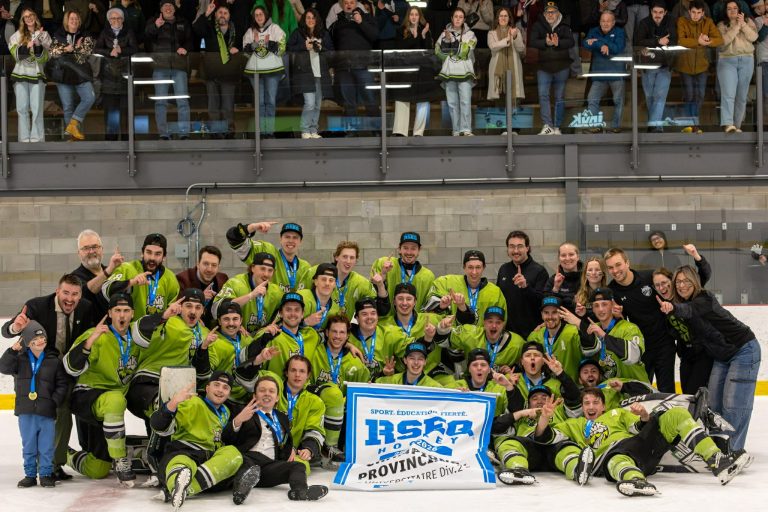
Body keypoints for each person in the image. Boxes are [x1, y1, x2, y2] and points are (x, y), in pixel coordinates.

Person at [535, 388, 750, 496]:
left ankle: (717, 461)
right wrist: (544, 418)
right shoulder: (576, 424)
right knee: (617, 456)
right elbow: (543, 437)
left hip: (642, 447)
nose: (591, 406)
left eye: (596, 402)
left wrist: (644, 416)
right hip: (613, 458)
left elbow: (640, 427)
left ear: (603, 406)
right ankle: (636, 481)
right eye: (586, 402)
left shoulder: (617, 413)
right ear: (582, 406)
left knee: (675, 414)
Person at [1, 274, 95, 481]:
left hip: (63, 373)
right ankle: (41, 465)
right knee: (40, 421)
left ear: (80, 295)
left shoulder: (86, 308)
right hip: (36, 375)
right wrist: (15, 327)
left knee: (63, 416)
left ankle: (53, 464)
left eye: (75, 294)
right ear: (57, 290)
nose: (70, 298)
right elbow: (7, 331)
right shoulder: (36, 306)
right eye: (66, 293)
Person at [659, 265, 761, 451]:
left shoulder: (703, 298)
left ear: (695, 282)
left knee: (733, 405)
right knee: (712, 404)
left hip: (743, 349)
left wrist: (672, 307)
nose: (682, 285)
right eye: (678, 282)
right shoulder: (686, 301)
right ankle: (717, 447)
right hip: (721, 356)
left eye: (686, 281)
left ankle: (733, 451)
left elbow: (688, 310)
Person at [63, 293, 143, 485]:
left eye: (125, 311)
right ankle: (120, 459)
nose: (121, 315)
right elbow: (70, 367)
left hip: (111, 408)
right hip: (87, 396)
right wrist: (90, 341)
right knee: (115, 399)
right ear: (109, 313)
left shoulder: (138, 339)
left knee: (97, 469)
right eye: (117, 310)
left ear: (132, 314)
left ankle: (65, 454)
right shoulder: (97, 334)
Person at [223, 375, 329, 503]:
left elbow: (286, 440)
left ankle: (300, 491)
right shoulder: (242, 412)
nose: (267, 394)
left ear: (277, 397)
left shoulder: (282, 418)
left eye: (271, 391)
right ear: (254, 396)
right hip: (248, 459)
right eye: (262, 390)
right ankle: (240, 492)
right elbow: (227, 438)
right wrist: (238, 420)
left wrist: (291, 449)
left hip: (269, 466)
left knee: (298, 466)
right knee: (247, 462)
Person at [151, 371, 244, 509]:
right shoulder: (193, 403)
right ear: (207, 388)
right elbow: (159, 426)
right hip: (185, 451)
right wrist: (173, 403)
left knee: (233, 453)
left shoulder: (225, 412)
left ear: (229, 393)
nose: (220, 390)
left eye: (225, 387)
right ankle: (178, 479)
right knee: (181, 463)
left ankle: (182, 489)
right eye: (216, 385)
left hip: (208, 459)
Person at [0, 321, 68, 488]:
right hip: (26, 411)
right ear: (28, 342)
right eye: (36, 338)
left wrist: (54, 401)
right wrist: (12, 351)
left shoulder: (53, 361)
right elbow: (3, 367)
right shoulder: (20, 360)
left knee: (46, 446)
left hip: (46, 411)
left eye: (43, 337)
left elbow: (62, 384)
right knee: (29, 444)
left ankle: (45, 474)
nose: (41, 341)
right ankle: (30, 475)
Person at [604, 247, 675, 392]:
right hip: (641, 348)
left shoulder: (649, 277)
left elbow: (672, 292)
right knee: (642, 390)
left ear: (627, 263)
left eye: (618, 265)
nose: (615, 270)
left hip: (664, 344)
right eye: (610, 267)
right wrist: (618, 316)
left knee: (667, 390)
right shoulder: (612, 291)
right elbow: (620, 322)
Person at [493, 384, 594, 486]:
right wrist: (521, 413)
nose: (540, 401)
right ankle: (518, 469)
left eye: (544, 397)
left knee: (569, 447)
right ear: (528, 404)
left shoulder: (559, 410)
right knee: (509, 443)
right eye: (534, 398)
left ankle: (577, 469)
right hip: (530, 452)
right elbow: (495, 426)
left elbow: (573, 396)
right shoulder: (522, 417)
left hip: (555, 448)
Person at [191, 299, 280, 414]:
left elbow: (249, 357)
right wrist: (204, 348)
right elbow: (203, 374)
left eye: (235, 319)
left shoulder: (245, 338)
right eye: (226, 319)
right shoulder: (215, 343)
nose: (231, 323)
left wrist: (265, 337)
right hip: (224, 399)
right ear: (219, 321)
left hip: (245, 396)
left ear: (241, 320)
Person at [309, 314, 370, 464]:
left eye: (342, 332)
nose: (337, 336)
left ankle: (341, 447)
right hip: (315, 407)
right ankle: (325, 446)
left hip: (340, 417)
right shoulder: (314, 351)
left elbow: (362, 392)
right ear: (327, 333)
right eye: (334, 332)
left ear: (347, 335)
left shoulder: (355, 361)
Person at [560, 287, 650, 383]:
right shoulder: (594, 328)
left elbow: (633, 356)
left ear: (612, 306)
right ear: (593, 309)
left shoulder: (629, 328)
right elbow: (589, 351)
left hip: (637, 389)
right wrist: (582, 320)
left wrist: (604, 335)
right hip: (611, 391)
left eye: (604, 304)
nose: (600, 309)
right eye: (596, 306)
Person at [653, 266, 714, 393]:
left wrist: (698, 258)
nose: (661, 288)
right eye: (657, 285)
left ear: (673, 281)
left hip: (703, 353)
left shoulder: (685, 295)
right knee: (686, 393)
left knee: (694, 392)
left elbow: (704, 274)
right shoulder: (660, 306)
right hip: (686, 355)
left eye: (664, 283)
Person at [194, 2, 244, 138]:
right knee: (213, 107)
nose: (222, 15)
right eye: (220, 12)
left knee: (228, 107)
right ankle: (216, 133)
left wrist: (238, 49)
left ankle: (228, 133)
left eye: (225, 13)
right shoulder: (209, 28)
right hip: (212, 74)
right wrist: (206, 14)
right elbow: (196, 29)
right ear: (215, 15)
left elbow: (244, 47)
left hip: (229, 75)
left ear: (229, 16)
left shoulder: (236, 31)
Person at [144, 0, 193, 140]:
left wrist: (186, 48)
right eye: (165, 6)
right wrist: (155, 26)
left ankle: (184, 133)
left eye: (170, 6)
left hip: (179, 67)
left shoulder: (183, 22)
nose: (168, 8)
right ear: (161, 9)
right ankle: (163, 133)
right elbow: (146, 34)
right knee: (161, 102)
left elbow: (190, 40)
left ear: (174, 9)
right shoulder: (154, 21)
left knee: (182, 101)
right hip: (160, 67)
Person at [328, 0, 378, 134]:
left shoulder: (367, 18)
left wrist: (361, 22)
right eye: (346, 3)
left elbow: (374, 36)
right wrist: (334, 63)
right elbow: (330, 43)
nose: (349, 5)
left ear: (356, 4)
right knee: (348, 102)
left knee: (370, 100)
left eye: (351, 2)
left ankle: (376, 130)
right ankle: (352, 130)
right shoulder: (337, 23)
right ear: (342, 5)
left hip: (363, 66)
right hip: (344, 68)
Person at [103, 233, 180, 318]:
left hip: (158, 329)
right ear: (142, 253)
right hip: (129, 329)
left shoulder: (170, 278)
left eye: (157, 254)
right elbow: (105, 290)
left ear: (164, 257)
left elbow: (172, 313)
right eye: (148, 252)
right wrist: (131, 282)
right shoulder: (127, 269)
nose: (152, 258)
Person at [48, 9, 95, 141]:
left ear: (79, 21)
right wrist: (65, 49)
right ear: (67, 21)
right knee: (68, 107)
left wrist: (74, 48)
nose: (74, 21)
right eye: (71, 19)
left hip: (81, 74)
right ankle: (72, 138)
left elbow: (88, 52)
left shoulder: (85, 34)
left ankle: (74, 124)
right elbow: (52, 52)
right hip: (64, 75)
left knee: (89, 98)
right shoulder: (58, 34)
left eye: (76, 19)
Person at [227, 221, 311, 293]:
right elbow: (234, 239)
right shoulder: (266, 250)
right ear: (280, 239)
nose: (291, 241)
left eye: (295, 237)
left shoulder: (305, 267)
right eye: (287, 237)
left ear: (300, 241)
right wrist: (251, 227)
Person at [677, 0, 723, 133]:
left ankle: (694, 122)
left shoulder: (708, 22)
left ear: (703, 13)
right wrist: (698, 41)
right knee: (689, 95)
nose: (695, 15)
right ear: (689, 12)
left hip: (702, 66)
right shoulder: (682, 21)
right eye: (693, 12)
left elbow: (720, 40)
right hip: (685, 65)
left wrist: (708, 41)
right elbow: (681, 40)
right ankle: (690, 122)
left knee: (700, 95)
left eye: (698, 13)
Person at [288, 8, 334, 138]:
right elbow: (289, 49)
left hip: (321, 72)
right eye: (308, 17)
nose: (311, 20)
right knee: (309, 103)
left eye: (313, 18)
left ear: (317, 20)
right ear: (304, 19)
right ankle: (304, 129)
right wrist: (304, 47)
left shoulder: (323, 34)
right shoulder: (298, 33)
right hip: (304, 73)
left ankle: (313, 129)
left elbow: (331, 51)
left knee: (318, 104)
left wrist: (321, 48)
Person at [529, 2, 574, 135]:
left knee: (559, 97)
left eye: (553, 12)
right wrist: (545, 42)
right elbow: (532, 41)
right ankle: (547, 125)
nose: (550, 14)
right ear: (544, 14)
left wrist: (558, 42)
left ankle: (557, 127)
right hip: (543, 67)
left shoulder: (565, 25)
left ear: (558, 13)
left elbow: (571, 42)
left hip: (562, 66)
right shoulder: (538, 25)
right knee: (543, 95)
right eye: (548, 12)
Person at [213, 252, 283, 336]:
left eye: (270, 270)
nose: (266, 274)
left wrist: (273, 326)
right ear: (253, 268)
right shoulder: (236, 283)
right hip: (236, 337)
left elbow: (285, 314)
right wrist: (251, 295)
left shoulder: (276, 292)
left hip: (261, 339)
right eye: (262, 269)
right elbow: (215, 310)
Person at [94, 7, 137, 141]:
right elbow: (96, 49)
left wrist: (122, 50)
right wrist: (109, 52)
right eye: (113, 18)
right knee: (111, 115)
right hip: (109, 79)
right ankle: (111, 143)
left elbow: (135, 49)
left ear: (123, 19)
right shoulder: (104, 33)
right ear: (109, 20)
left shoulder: (129, 32)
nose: (116, 20)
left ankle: (126, 143)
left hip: (125, 78)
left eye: (118, 18)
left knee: (126, 115)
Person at [391, 6, 435, 137]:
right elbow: (401, 48)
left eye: (416, 14)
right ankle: (400, 131)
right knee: (402, 98)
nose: (414, 17)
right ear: (408, 17)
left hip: (422, 71)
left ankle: (418, 132)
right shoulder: (400, 30)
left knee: (423, 100)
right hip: (405, 71)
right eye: (411, 14)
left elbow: (428, 50)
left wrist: (422, 35)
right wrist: (416, 37)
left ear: (419, 16)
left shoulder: (425, 31)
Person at [496, 230, 550, 338]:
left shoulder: (539, 271)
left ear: (527, 248)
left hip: (532, 333)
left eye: (520, 246)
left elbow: (543, 303)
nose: (516, 250)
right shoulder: (504, 269)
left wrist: (526, 287)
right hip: (507, 333)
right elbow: (499, 298)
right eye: (512, 246)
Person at [9, 8, 51, 143]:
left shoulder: (44, 35)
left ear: (35, 17)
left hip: (37, 75)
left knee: (37, 109)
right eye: (25, 16)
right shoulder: (16, 35)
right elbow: (16, 56)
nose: (29, 18)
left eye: (31, 15)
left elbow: (45, 58)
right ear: (22, 20)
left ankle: (37, 139)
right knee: (22, 109)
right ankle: (23, 139)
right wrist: (27, 46)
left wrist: (38, 45)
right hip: (20, 74)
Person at [277, 355, 326, 469]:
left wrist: (308, 449)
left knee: (302, 467)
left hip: (295, 452)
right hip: (268, 447)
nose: (297, 375)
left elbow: (315, 430)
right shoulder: (274, 391)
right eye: (293, 370)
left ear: (308, 375)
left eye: (302, 371)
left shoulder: (315, 402)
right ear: (286, 373)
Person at [635, 1, 677, 133]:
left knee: (660, 96)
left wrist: (652, 45)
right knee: (650, 97)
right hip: (648, 67)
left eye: (660, 12)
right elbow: (638, 42)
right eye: (655, 12)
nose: (657, 15)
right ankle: (654, 124)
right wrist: (658, 42)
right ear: (651, 12)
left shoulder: (670, 22)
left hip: (665, 65)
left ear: (665, 12)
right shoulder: (644, 23)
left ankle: (656, 126)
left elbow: (674, 40)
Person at [244, 6, 286, 138]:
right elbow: (245, 51)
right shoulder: (250, 31)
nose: (259, 17)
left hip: (273, 71)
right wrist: (252, 46)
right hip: (255, 72)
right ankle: (261, 132)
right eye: (256, 15)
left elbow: (282, 48)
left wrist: (270, 44)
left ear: (266, 15)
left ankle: (269, 132)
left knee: (271, 101)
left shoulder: (275, 28)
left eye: (261, 14)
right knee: (260, 103)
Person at [528, 295, 591, 382]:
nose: (550, 317)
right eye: (546, 313)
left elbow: (591, 349)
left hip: (574, 387)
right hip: (547, 390)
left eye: (554, 312)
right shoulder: (535, 336)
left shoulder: (574, 332)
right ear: (541, 314)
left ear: (561, 314)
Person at [370, 231, 436, 313]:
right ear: (399, 249)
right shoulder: (383, 264)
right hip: (386, 324)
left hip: (415, 324)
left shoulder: (428, 276)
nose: (409, 252)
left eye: (413, 248)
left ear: (419, 250)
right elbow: (372, 298)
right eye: (405, 248)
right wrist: (383, 275)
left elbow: (428, 308)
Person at [717, 0, 757, 132]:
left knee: (742, 95)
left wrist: (743, 25)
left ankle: (737, 125)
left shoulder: (748, 22)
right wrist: (736, 27)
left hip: (747, 60)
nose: (732, 11)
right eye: (729, 9)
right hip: (727, 60)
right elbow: (723, 42)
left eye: (735, 8)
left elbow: (754, 37)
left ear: (740, 10)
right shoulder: (721, 25)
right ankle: (728, 124)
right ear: (725, 11)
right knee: (728, 94)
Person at [583, 11, 626, 133]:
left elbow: (617, 48)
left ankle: (616, 126)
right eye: (603, 21)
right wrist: (602, 43)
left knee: (618, 100)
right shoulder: (594, 31)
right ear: (599, 22)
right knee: (592, 98)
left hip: (616, 73)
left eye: (608, 21)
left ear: (613, 22)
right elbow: (585, 43)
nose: (605, 23)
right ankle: (595, 125)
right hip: (599, 73)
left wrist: (597, 42)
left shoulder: (619, 32)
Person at [437, 7, 477, 136]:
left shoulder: (470, 34)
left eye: (461, 17)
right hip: (449, 72)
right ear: (452, 18)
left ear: (464, 19)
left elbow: (465, 51)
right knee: (452, 103)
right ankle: (455, 129)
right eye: (456, 16)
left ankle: (465, 129)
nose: (458, 19)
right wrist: (447, 41)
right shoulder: (444, 33)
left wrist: (452, 42)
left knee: (465, 101)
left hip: (465, 72)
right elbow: (438, 52)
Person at [261, 292, 322, 376]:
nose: (293, 314)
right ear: (281, 313)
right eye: (288, 310)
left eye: (297, 310)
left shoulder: (312, 335)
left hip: (304, 388)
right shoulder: (271, 335)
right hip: (277, 387)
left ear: (302, 314)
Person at [176, 245, 229, 329]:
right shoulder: (183, 279)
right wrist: (200, 297)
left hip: (215, 330)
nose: (209, 269)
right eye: (206, 264)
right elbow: (177, 309)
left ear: (218, 267)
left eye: (214, 265)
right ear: (198, 264)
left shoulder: (223, 279)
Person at [487, 6, 524, 122]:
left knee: (514, 98)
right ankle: (501, 128)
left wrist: (515, 36)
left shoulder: (515, 31)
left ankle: (515, 129)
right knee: (500, 99)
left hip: (514, 71)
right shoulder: (491, 33)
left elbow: (521, 48)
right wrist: (507, 40)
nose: (503, 18)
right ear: (497, 18)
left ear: (509, 18)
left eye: (505, 16)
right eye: (501, 16)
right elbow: (493, 47)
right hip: (498, 72)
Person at [376, 341, 444, 387]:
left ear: (425, 362)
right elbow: (373, 385)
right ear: (405, 360)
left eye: (420, 359)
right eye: (412, 358)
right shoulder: (393, 381)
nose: (416, 362)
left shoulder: (433, 386)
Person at [298, 263, 341, 330]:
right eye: (323, 279)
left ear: (335, 285)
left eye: (331, 280)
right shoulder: (301, 297)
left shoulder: (335, 309)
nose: (327, 283)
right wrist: (305, 322)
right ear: (316, 282)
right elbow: (283, 324)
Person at [545, 242, 582, 311]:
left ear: (578, 257)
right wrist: (555, 288)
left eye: (571, 254)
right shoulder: (553, 280)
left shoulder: (587, 278)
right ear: (559, 258)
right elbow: (546, 307)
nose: (567, 258)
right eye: (563, 255)